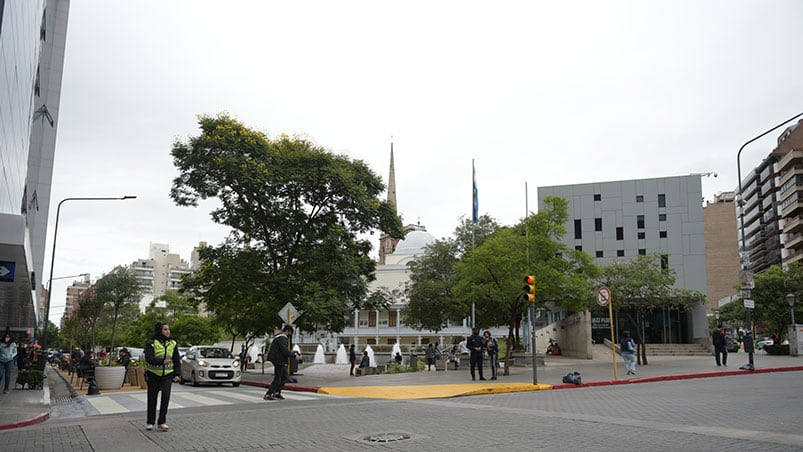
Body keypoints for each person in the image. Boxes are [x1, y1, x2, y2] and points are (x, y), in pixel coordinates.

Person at [144, 322, 182, 431]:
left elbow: (176, 360)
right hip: (153, 375)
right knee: (152, 398)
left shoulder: (173, 343)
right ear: (160, 331)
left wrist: (177, 374)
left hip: (167, 375)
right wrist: (162, 361)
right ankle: (150, 422)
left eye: (168, 329)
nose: (167, 331)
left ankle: (162, 422)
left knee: (165, 397)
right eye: (165, 329)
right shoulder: (152, 343)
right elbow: (149, 358)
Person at [264, 324, 293, 401]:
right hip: (278, 360)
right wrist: (293, 355)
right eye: (290, 333)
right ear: (287, 331)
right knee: (278, 377)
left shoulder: (279, 337)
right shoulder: (282, 338)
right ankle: (268, 394)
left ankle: (277, 392)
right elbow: (284, 350)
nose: (290, 335)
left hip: (279, 360)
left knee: (284, 376)